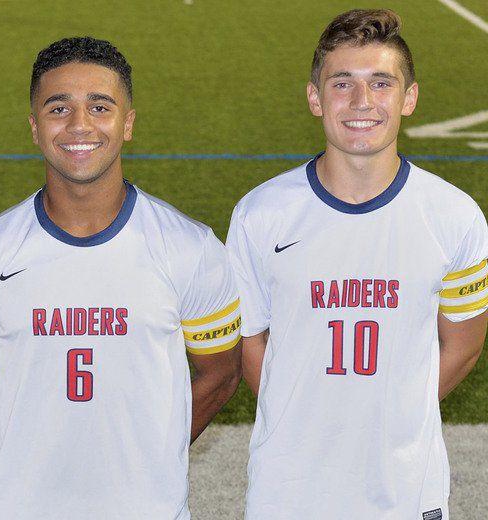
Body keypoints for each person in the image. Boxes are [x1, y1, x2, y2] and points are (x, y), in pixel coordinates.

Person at [0, 36, 242, 519]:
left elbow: (221, 372)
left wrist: (150, 452)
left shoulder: (189, 248)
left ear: (128, 123)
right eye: (59, 108)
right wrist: (32, 438)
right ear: (35, 127)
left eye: (100, 107)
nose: (80, 125)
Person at [227, 9, 488, 519]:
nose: (362, 101)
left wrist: (389, 417)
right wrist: (302, 414)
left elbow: (462, 346)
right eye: (342, 83)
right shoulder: (260, 215)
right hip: (290, 492)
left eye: (381, 83)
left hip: (404, 492)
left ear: (409, 98)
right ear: (315, 98)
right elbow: (248, 342)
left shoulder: (454, 217)